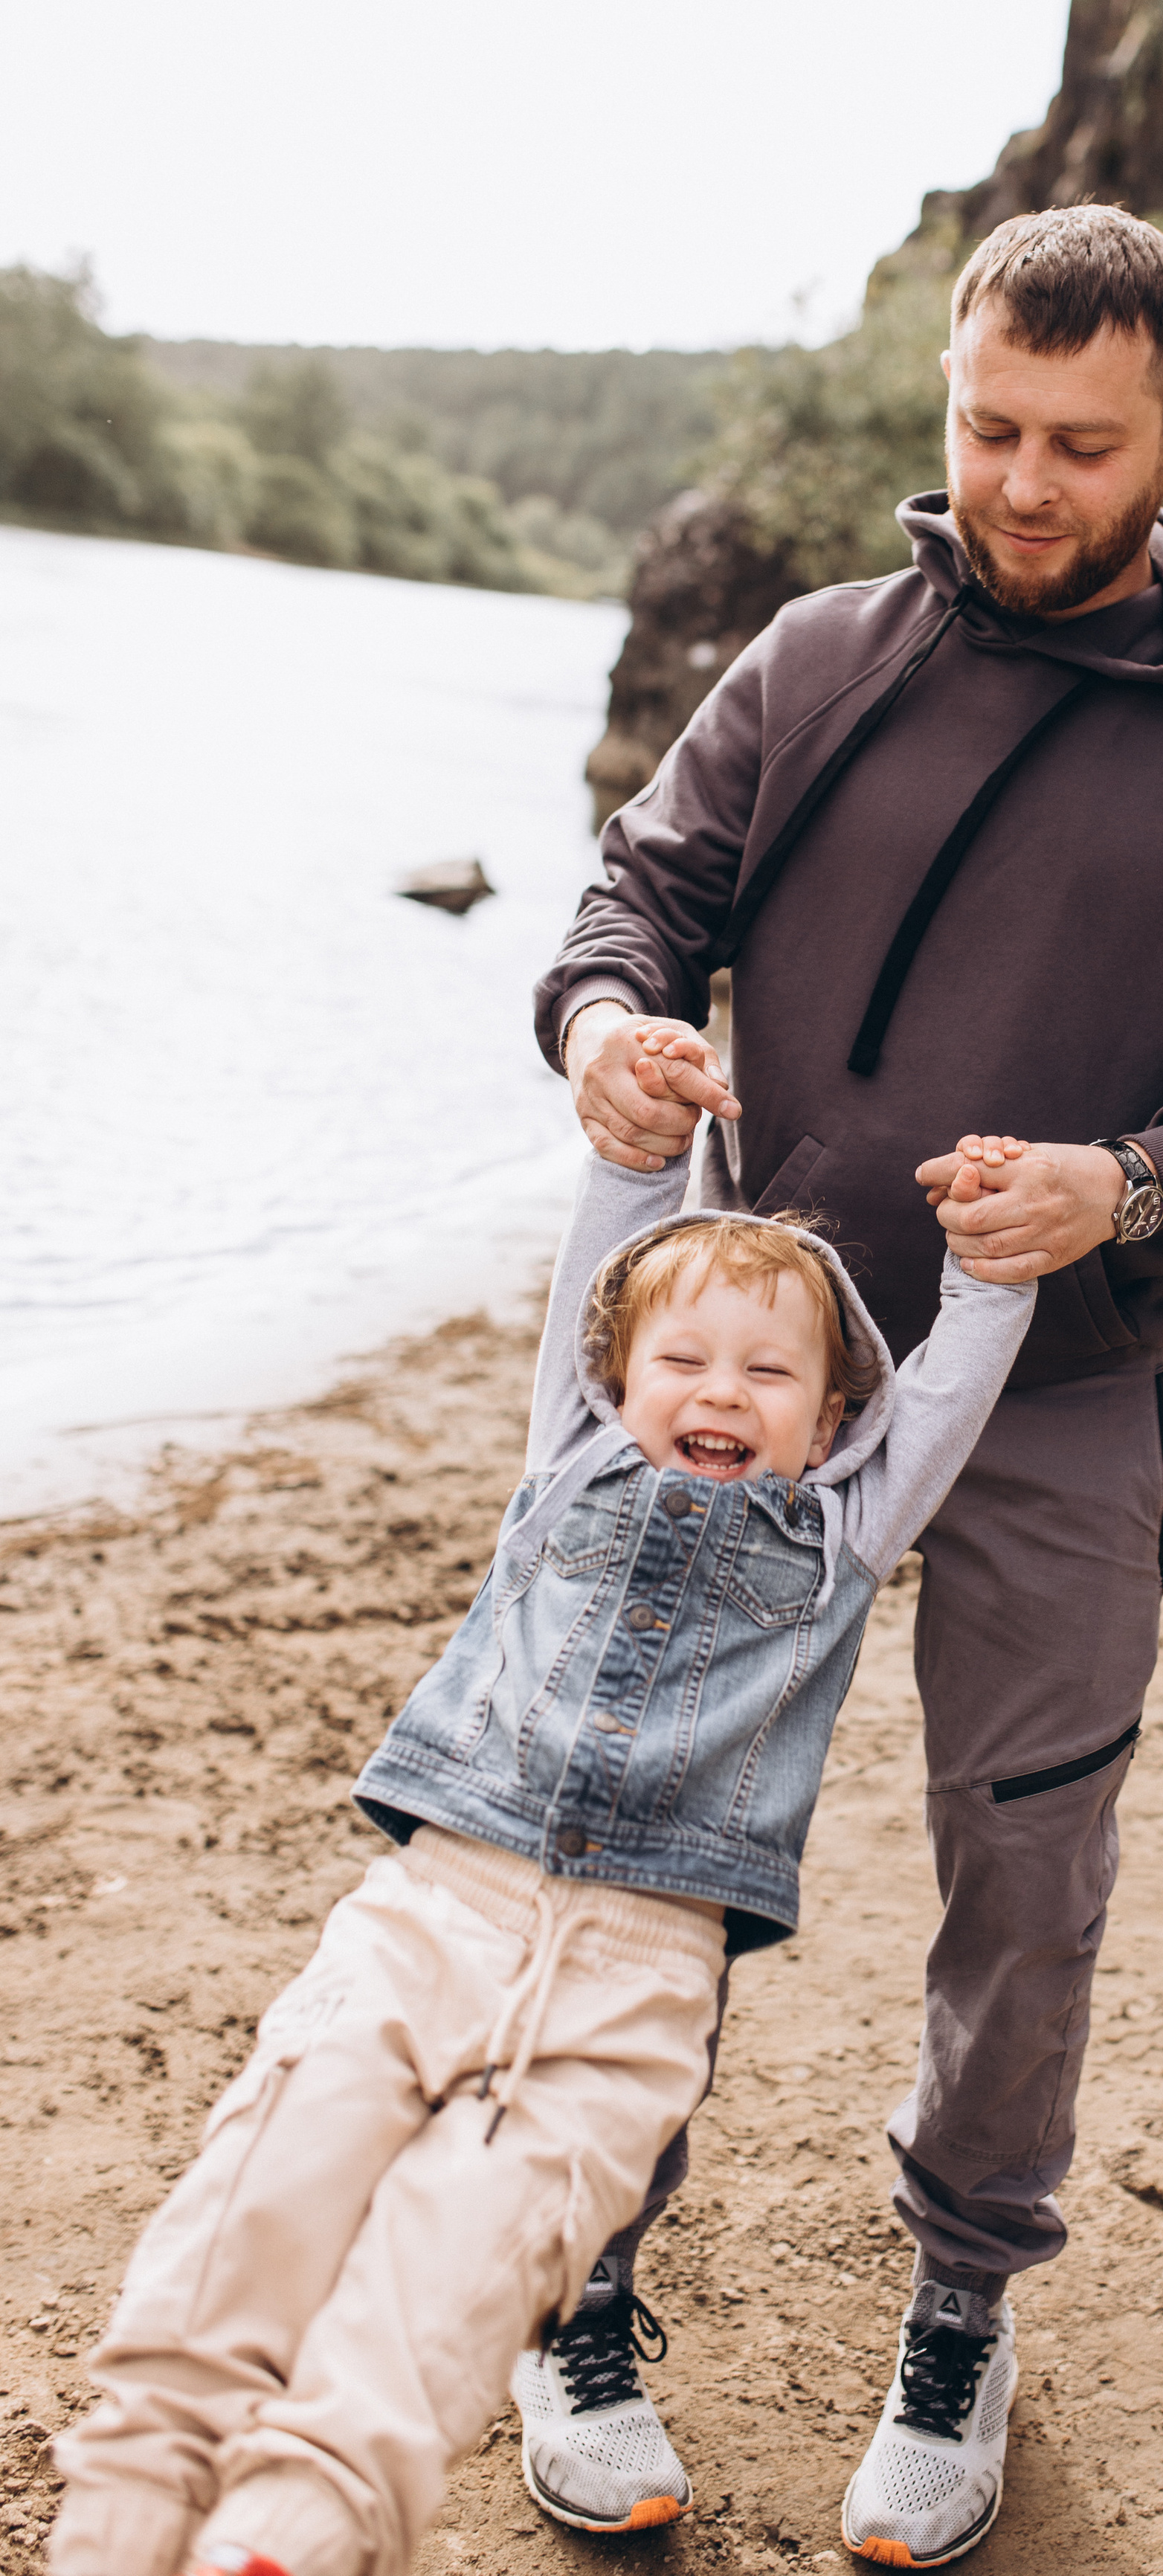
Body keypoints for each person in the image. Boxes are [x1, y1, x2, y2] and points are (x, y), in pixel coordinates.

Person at [531, 204, 1163, 2566]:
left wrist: (1130, 1185)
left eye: (1083, 445)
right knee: (639, 1848)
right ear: (950, 395)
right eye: (991, 427)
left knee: (1026, 1877)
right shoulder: (818, 658)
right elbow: (634, 904)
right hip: (750, 1391)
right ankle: (583, 2285)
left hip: (1064, 1403)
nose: (1025, 482)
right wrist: (610, 1032)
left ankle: (960, 2320)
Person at [48, 1073, 1037, 2576]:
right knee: (257, 2206)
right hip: (437, 1912)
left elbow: (952, 1383)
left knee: (457, 2287)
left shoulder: (847, 1528)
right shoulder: (568, 1457)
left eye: (769, 1373)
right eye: (683, 1360)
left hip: (636, 1983)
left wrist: (987, 1266)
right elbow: (610, 1254)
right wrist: (627, 1155)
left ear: (837, 1415)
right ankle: (122, 2522)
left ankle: (292, 2537)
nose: (718, 1390)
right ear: (616, 1380)